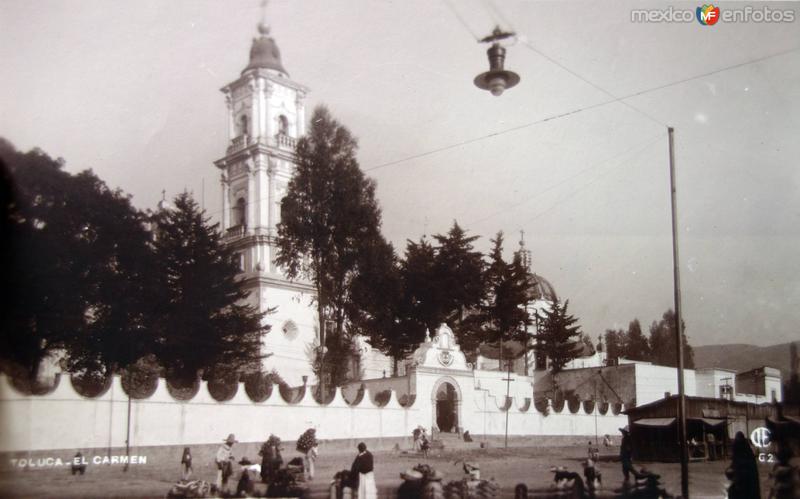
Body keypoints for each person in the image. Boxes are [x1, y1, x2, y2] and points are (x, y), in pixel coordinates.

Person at [726, 431, 760, 499]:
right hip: (748, 487)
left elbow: (735, 470)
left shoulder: (741, 455)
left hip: (744, 486)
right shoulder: (748, 454)